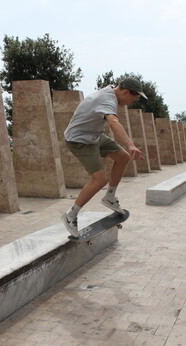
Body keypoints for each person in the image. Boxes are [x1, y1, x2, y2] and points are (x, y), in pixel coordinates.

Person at [61, 77, 146, 237]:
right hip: (79, 140)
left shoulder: (110, 92)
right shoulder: (107, 99)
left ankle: (110, 197)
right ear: (125, 91)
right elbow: (114, 123)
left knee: (123, 157)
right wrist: (130, 144)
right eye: (132, 99)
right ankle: (70, 215)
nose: (130, 103)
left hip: (94, 136)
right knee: (99, 179)